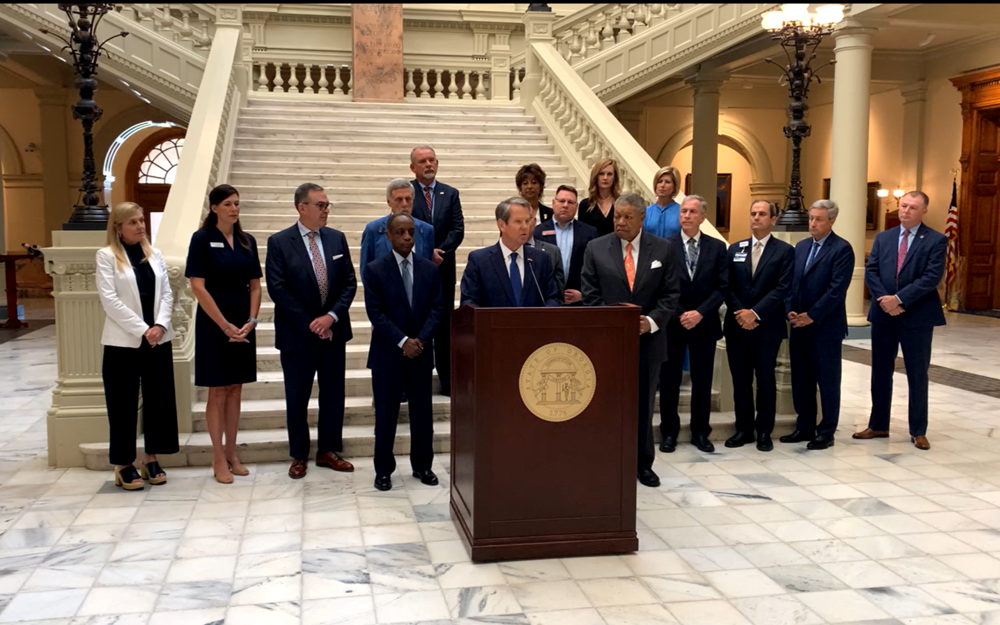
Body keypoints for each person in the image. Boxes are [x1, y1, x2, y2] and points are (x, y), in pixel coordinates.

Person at [581, 193, 680, 488]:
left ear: (642, 218)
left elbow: (670, 294)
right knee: (606, 405)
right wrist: (617, 325)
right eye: (616, 217)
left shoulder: (663, 249)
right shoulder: (596, 248)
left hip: (648, 344)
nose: (620, 222)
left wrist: (649, 322)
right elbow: (591, 295)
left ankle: (642, 464)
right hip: (608, 345)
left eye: (626, 217)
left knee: (643, 405)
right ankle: (607, 461)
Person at [265, 182, 358, 479]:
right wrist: (311, 321)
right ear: (301, 207)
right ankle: (299, 455)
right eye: (320, 205)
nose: (326, 210)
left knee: (333, 394)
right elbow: (278, 289)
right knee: (297, 396)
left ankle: (328, 450)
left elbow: (349, 283)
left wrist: (330, 317)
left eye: (327, 205)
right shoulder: (280, 242)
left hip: (332, 332)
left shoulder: (336, 239)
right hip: (297, 335)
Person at [97, 202, 179, 491]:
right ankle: (123, 464)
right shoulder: (106, 256)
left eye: (141, 220)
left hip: (158, 339)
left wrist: (159, 325)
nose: (140, 226)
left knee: (159, 401)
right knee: (122, 404)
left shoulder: (154, 255)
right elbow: (110, 301)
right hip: (124, 342)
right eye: (132, 222)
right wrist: (144, 329)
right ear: (118, 228)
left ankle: (151, 458)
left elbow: (168, 294)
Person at [856, 190, 946, 450]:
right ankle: (878, 424)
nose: (905, 211)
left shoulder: (935, 240)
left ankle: (918, 430)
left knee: (917, 374)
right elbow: (871, 271)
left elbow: (931, 278)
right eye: (903, 206)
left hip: (916, 317)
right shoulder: (884, 238)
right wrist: (886, 299)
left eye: (912, 207)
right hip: (884, 315)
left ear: (924, 211)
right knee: (880, 371)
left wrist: (900, 299)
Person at [363, 213, 445, 491]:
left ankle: (423, 466)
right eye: (400, 232)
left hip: (421, 353)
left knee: (422, 414)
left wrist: (419, 340)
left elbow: (437, 308)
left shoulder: (429, 269)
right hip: (388, 355)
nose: (407, 237)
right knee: (386, 415)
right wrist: (402, 341)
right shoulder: (375, 269)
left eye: (411, 232)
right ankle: (383, 470)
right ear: (388, 235)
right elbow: (375, 312)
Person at [186, 185, 261, 484]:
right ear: (214, 207)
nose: (234, 209)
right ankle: (217, 456)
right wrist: (224, 325)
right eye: (228, 204)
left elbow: (255, 285)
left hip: (243, 324)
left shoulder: (247, 241)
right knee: (217, 390)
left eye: (237, 204)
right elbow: (197, 286)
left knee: (235, 389)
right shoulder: (202, 239)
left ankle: (232, 452)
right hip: (214, 324)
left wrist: (251, 320)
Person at [781, 200, 855, 450]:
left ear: (831, 220)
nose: (812, 223)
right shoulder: (801, 247)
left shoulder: (842, 249)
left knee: (827, 381)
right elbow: (791, 283)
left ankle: (826, 431)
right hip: (799, 325)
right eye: (811, 218)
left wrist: (811, 315)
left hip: (825, 327)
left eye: (818, 219)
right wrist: (790, 310)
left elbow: (836, 291)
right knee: (801, 380)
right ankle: (804, 427)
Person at [723, 200, 794, 452]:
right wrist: (741, 313)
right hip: (737, 327)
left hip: (766, 328)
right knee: (741, 381)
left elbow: (782, 288)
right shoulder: (734, 249)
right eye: (753, 213)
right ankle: (743, 429)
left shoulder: (784, 251)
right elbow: (727, 286)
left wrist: (754, 313)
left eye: (762, 214)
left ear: (773, 219)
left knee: (765, 381)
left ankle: (764, 431)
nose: (756, 218)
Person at [659, 195, 728, 454]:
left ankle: (700, 432)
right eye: (683, 211)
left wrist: (699, 313)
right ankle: (669, 432)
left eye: (692, 212)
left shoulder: (717, 248)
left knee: (702, 380)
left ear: (703, 217)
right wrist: (681, 314)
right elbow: (663, 287)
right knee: (670, 380)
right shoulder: (665, 246)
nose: (686, 215)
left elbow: (722, 287)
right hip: (674, 324)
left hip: (704, 323)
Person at [410, 145, 464, 396]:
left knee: (443, 325)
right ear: (413, 167)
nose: (428, 164)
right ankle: (412, 383)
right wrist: (424, 251)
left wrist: (439, 251)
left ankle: (447, 381)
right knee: (415, 322)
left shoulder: (450, 193)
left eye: (432, 160)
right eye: (422, 161)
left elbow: (457, 229)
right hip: (415, 269)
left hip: (443, 269)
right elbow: (403, 227)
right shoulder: (406, 193)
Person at [460, 197, 560, 308]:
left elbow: (553, 298)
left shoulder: (542, 259)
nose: (525, 227)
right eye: (518, 222)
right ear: (502, 225)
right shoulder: (480, 261)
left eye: (527, 221)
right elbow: (469, 302)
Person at [359, 178, 437, 283]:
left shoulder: (426, 230)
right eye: (399, 199)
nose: (404, 204)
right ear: (389, 202)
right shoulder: (374, 229)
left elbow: (428, 267)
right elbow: (366, 269)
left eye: (408, 199)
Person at [535, 185, 599, 306]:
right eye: (561, 201)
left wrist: (583, 294)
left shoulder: (590, 233)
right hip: (547, 302)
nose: (565, 205)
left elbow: (596, 269)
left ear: (576, 206)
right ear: (553, 203)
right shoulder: (537, 232)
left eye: (570, 202)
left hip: (579, 303)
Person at [524, 203, 566, 302]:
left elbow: (558, 293)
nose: (523, 226)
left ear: (534, 222)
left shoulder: (552, 252)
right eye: (518, 221)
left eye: (527, 220)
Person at [578, 158, 621, 237]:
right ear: (595, 177)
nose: (605, 178)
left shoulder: (622, 203)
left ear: (614, 178)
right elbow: (582, 235)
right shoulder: (585, 205)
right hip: (592, 248)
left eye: (609, 174)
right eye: (601, 174)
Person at [644, 166, 683, 240]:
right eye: (660, 181)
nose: (662, 185)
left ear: (674, 187)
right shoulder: (646, 211)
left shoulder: (681, 211)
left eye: (667, 182)